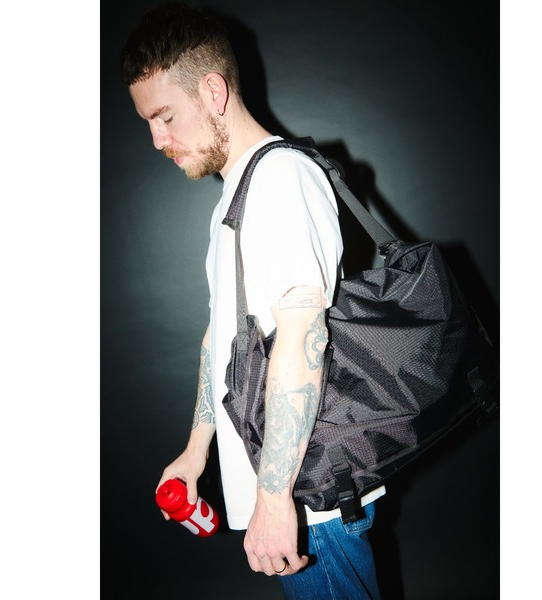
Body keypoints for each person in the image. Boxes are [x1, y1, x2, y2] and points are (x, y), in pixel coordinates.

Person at [119, 3, 384, 598]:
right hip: (294, 495)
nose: (158, 140)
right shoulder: (238, 193)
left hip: (311, 500)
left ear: (213, 92)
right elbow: (222, 337)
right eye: (149, 122)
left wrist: (274, 497)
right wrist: (196, 452)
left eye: (165, 116)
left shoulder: (280, 179)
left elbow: (304, 336)